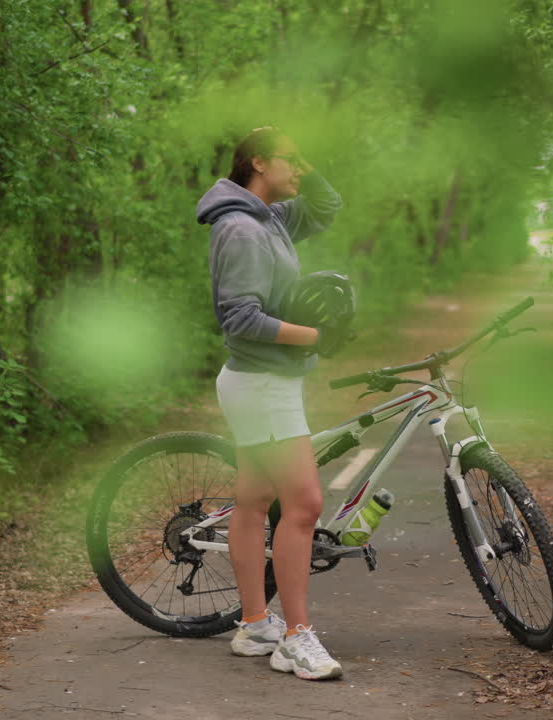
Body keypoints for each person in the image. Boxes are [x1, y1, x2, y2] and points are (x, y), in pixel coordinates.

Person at [195, 126, 345, 681]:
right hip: (261, 383)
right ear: (258, 163)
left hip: (263, 381)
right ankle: (296, 638)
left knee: (256, 500)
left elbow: (327, 205)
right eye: (291, 161)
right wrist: (316, 336)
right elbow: (237, 316)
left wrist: (308, 154)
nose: (301, 171)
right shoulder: (240, 228)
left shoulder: (270, 219)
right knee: (303, 506)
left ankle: (256, 623)